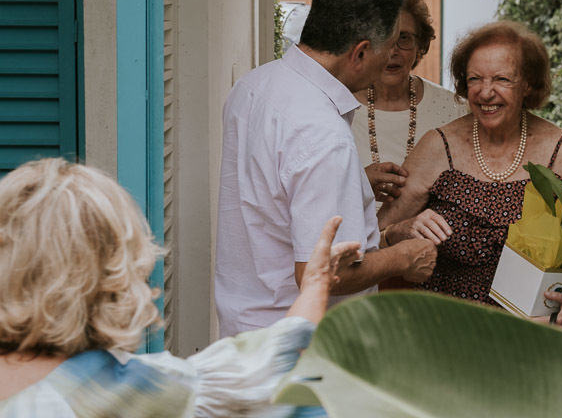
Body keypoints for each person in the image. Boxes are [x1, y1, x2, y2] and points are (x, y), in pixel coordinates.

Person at [0, 158, 358, 416]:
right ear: (114, 273)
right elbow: (269, 368)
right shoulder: (124, 392)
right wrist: (315, 284)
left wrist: (313, 283)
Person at [215, 0, 436, 337]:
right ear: (361, 53)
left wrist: (352, 185)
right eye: (387, 50)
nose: (390, 62)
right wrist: (404, 256)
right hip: (298, 349)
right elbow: (324, 273)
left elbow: (271, 194)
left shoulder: (254, 86)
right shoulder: (323, 135)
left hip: (245, 330)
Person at [377, 21, 562, 311]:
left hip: (528, 333)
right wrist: (403, 229)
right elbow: (377, 234)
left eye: (502, 79)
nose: (485, 93)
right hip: (442, 325)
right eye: (475, 79)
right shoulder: (438, 145)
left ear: (528, 83)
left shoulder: (561, 150)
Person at [350, 0, 468, 205]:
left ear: (420, 44)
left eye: (403, 38)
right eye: (382, 37)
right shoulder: (339, 109)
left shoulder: (455, 109)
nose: (392, 52)